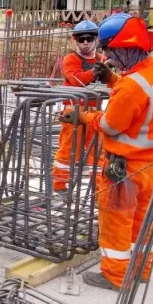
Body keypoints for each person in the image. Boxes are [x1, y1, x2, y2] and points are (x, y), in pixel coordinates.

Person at [60, 13, 153, 290]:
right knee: (141, 222)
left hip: (123, 167)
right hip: (150, 164)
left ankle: (116, 275)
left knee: (116, 224)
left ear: (124, 48)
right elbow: (138, 103)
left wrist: (83, 116)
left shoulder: (130, 85)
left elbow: (111, 125)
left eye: (110, 51)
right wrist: (112, 80)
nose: (107, 57)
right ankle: (141, 269)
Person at [52, 20, 106, 192]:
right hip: (73, 110)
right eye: (81, 39)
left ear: (96, 39)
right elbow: (77, 79)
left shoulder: (102, 59)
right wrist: (94, 73)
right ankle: (60, 185)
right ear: (75, 39)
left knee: (98, 151)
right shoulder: (70, 59)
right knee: (68, 149)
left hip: (94, 110)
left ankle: (99, 188)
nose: (85, 42)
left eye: (89, 38)